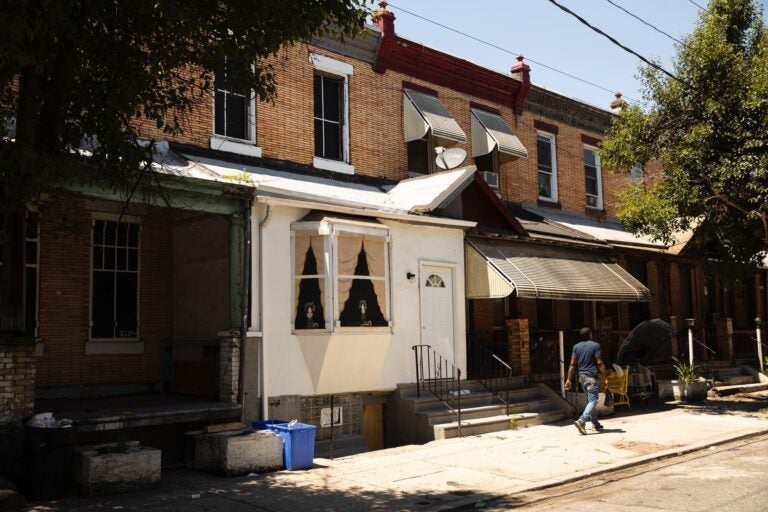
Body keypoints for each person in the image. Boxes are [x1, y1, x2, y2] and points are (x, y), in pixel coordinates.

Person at [565, 327, 608, 434]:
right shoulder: (595, 345)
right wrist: (605, 377)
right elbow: (599, 362)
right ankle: (582, 420)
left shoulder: (576, 347)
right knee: (593, 400)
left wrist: (568, 379)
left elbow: (572, 364)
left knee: (590, 400)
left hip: (582, 378)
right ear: (590, 335)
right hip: (591, 377)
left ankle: (595, 423)